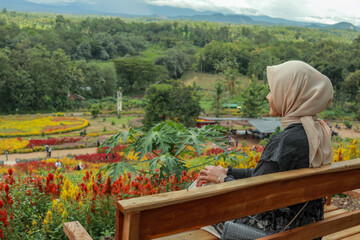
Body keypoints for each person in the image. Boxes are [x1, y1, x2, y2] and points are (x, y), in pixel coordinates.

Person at [196, 61, 333, 239]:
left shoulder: (285, 142)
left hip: (271, 232)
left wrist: (221, 178)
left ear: (289, 94)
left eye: (273, 91)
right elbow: (263, 177)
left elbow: (253, 195)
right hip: (307, 228)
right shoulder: (317, 134)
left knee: (201, 193)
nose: (268, 97)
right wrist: (228, 171)